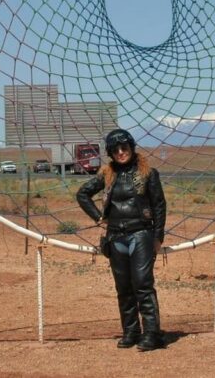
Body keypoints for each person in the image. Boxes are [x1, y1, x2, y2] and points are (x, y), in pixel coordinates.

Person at [76, 128, 167, 351]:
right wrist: (99, 217)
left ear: (131, 147)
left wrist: (158, 237)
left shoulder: (148, 173)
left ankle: (152, 334)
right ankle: (131, 331)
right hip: (115, 237)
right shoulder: (107, 174)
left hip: (140, 234)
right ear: (110, 152)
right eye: (115, 149)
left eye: (124, 147)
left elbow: (159, 205)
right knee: (123, 287)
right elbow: (82, 194)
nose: (120, 152)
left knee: (143, 285)